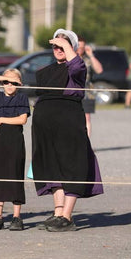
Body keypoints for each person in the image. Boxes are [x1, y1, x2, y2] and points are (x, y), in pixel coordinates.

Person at [31, 28, 104, 232]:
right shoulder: (47, 71)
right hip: (46, 127)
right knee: (53, 167)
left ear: (71, 47)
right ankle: (57, 213)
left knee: (72, 166)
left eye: (62, 45)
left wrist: (66, 45)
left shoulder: (77, 68)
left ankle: (67, 216)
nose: (58, 49)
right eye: (54, 46)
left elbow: (76, 65)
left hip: (69, 123)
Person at [0, 69, 30, 231]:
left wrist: (2, 119)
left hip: (15, 140)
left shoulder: (22, 98)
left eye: (14, 83)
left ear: (20, 84)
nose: (10, 85)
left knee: (14, 175)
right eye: (6, 83)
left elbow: (22, 119)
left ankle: (16, 217)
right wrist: (5, 77)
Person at [76, 37, 103, 137]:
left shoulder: (88, 59)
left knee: (86, 118)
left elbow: (99, 70)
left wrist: (91, 55)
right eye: (78, 46)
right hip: (71, 90)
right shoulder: (69, 58)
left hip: (87, 92)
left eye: (82, 47)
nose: (80, 49)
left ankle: (86, 144)